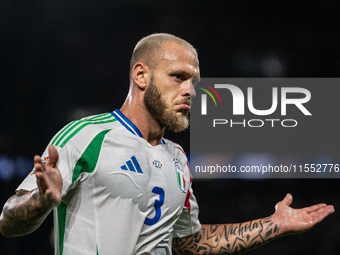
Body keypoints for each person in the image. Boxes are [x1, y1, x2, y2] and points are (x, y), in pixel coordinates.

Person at [0, 33, 335, 255]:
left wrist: (274, 224)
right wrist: (42, 203)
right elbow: (8, 221)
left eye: (195, 81)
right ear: (141, 75)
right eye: (178, 77)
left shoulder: (177, 159)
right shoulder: (86, 136)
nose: (191, 90)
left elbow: (189, 242)